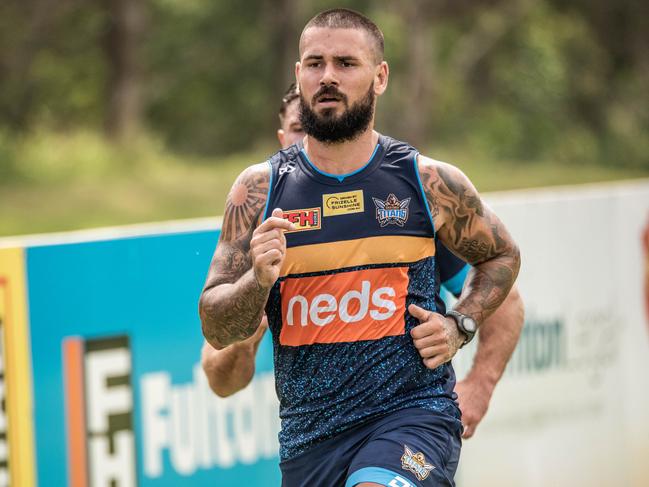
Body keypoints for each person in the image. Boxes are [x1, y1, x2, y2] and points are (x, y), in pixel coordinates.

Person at [199, 9, 521, 487]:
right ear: (298, 74)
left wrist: (461, 323)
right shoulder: (257, 191)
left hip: (413, 416)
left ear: (380, 76)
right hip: (310, 441)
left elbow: (502, 257)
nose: (327, 76)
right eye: (315, 63)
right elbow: (214, 322)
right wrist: (257, 280)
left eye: (346, 63)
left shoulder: (428, 181)